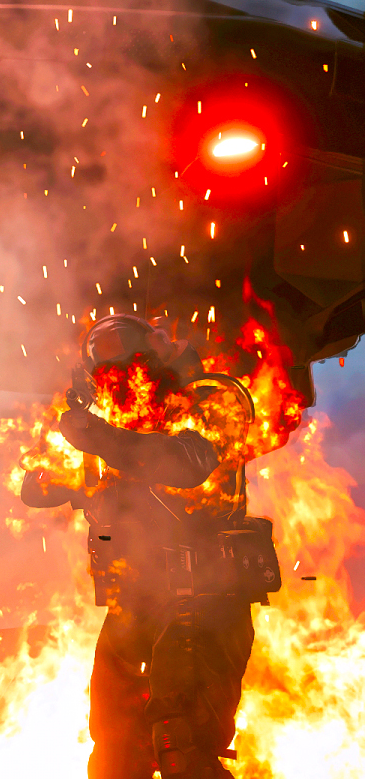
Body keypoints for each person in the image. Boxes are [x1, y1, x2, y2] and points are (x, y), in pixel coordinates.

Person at [22, 315, 274, 779]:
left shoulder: (212, 396)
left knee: (182, 748)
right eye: (108, 378)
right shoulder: (123, 426)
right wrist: (64, 476)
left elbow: (187, 463)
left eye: (128, 369)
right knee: (115, 755)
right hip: (132, 605)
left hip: (200, 600)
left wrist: (97, 436)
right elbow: (103, 491)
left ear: (156, 355)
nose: (121, 386)